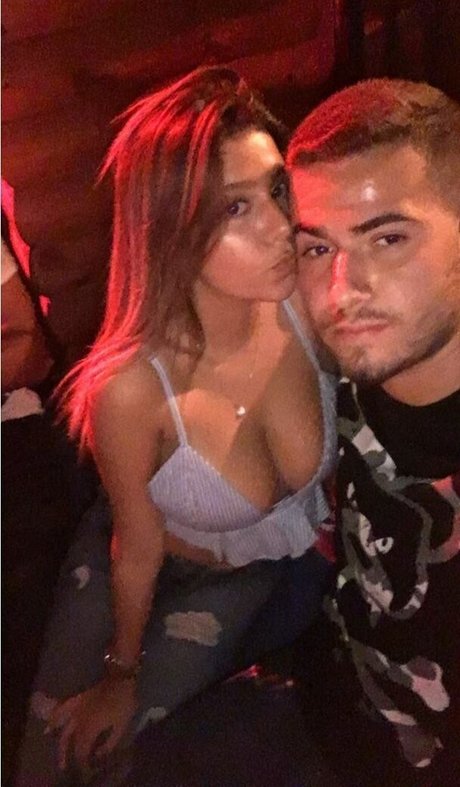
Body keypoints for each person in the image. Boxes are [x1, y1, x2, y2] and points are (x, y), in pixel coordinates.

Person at [17, 66, 336, 785]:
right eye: (235, 208)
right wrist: (119, 672)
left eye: (278, 189)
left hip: (244, 580)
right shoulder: (131, 388)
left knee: (127, 755)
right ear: (170, 232)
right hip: (136, 554)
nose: (281, 227)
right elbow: (136, 549)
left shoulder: (307, 300)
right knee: (51, 750)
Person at [287, 79, 460, 786]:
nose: (342, 290)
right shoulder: (349, 374)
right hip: (323, 686)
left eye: (387, 238)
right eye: (316, 249)